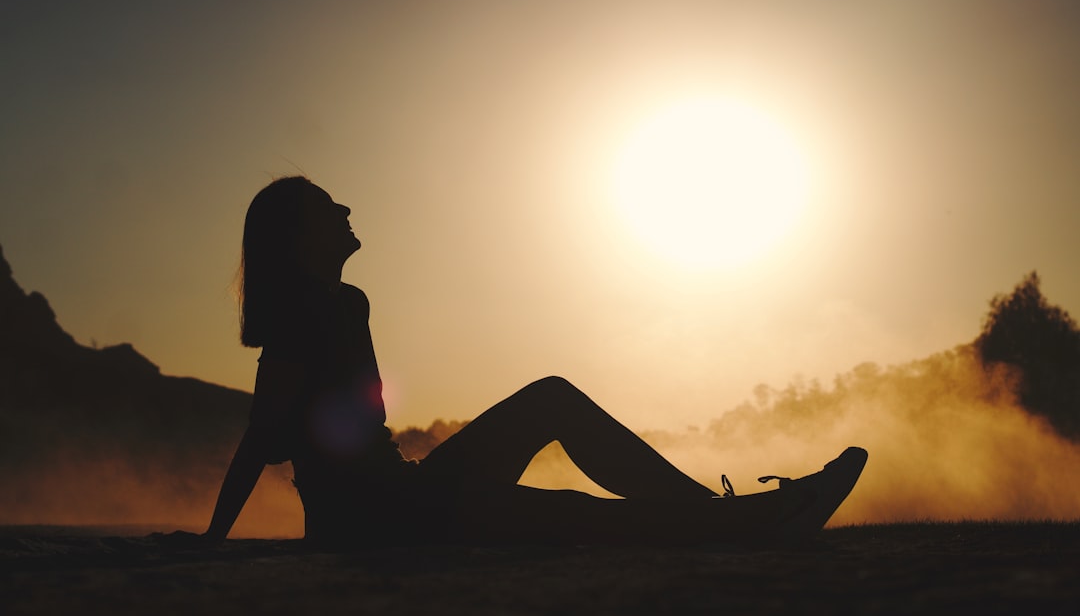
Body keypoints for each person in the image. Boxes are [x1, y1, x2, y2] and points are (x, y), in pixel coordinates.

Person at [204, 176, 866, 548]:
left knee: (551, 399)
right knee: (576, 516)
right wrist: (213, 540)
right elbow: (265, 434)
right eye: (327, 207)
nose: (346, 206)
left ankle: (730, 518)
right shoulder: (307, 314)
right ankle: (748, 524)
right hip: (387, 519)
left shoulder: (346, 304)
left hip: (401, 496)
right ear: (297, 239)